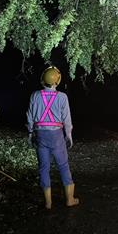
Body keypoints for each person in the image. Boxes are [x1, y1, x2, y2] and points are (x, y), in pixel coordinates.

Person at [27, 66, 79, 209]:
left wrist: (30, 133)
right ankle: (70, 199)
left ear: (43, 79)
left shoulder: (35, 95)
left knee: (44, 168)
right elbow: (67, 119)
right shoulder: (62, 97)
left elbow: (30, 117)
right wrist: (68, 136)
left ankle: (48, 203)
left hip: (40, 135)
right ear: (57, 80)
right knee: (63, 166)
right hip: (56, 136)